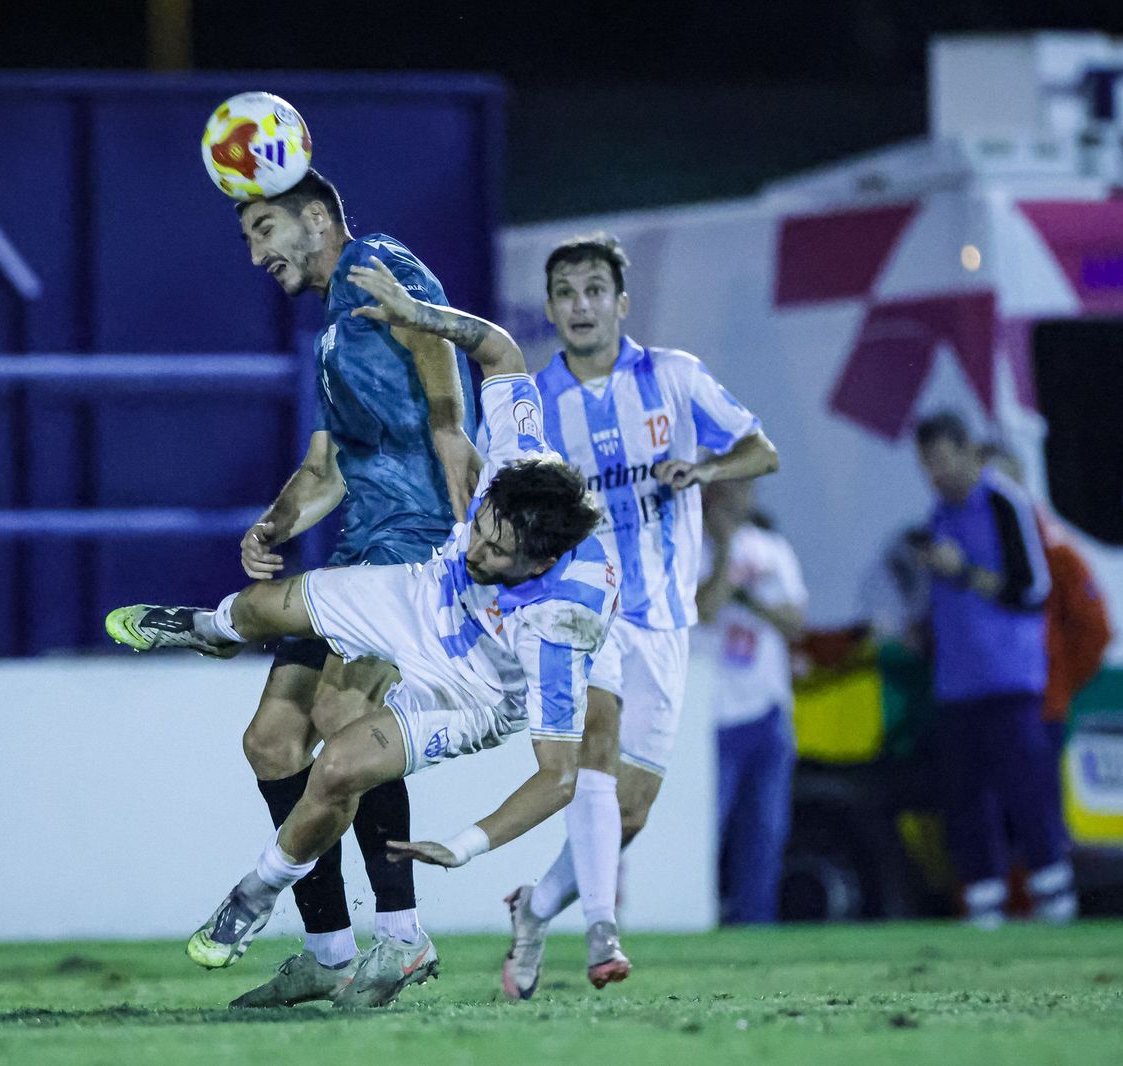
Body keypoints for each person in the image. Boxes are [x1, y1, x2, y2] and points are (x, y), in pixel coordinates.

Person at [106, 258, 622, 1002]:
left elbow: (559, 776)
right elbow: (502, 351)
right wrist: (420, 315)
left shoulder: (560, 624)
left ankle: (256, 893)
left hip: (473, 687)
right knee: (267, 605)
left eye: (497, 551)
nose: (478, 546)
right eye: (481, 526)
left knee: (340, 766)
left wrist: (468, 843)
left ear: (539, 562)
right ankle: (211, 628)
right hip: (428, 593)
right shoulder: (521, 465)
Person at [220, 170, 480, 1008]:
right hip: (361, 544)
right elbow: (327, 466)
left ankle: (401, 935)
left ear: (316, 217)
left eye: (265, 230)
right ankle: (329, 950)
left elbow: (430, 330)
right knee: (271, 741)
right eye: (248, 239)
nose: (256, 255)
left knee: (342, 719)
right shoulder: (333, 337)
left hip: (416, 544)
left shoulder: (377, 259)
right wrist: (272, 525)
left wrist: (450, 428)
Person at [501, 233, 778, 998]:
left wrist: (705, 469)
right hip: (583, 607)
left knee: (630, 811)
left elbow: (762, 451)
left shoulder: (674, 378)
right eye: (565, 292)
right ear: (550, 308)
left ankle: (536, 907)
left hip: (665, 616)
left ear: (621, 303)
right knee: (596, 735)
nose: (580, 305)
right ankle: (602, 928)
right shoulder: (535, 406)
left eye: (594, 290)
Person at [911, 411, 1074, 927]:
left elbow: (1033, 589)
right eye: (926, 464)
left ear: (968, 451)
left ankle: (1054, 896)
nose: (935, 474)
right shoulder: (938, 517)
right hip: (957, 686)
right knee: (965, 801)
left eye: (941, 460)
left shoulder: (1005, 502)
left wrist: (963, 572)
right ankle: (983, 902)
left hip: (1010, 681)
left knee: (1027, 795)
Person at [697, 479, 806, 925]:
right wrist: (724, 553)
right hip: (711, 715)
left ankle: (756, 925)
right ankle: (696, 918)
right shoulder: (689, 550)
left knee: (766, 832)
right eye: (733, 489)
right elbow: (704, 609)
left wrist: (750, 599)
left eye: (748, 489)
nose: (744, 498)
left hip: (767, 708)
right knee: (707, 831)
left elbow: (795, 621)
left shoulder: (771, 548)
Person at [977, 444, 1112, 756]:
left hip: (1037, 709)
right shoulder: (964, 557)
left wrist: (1056, 680)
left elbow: (1094, 632)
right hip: (977, 707)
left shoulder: (1057, 559)